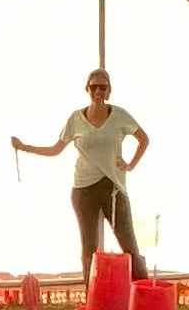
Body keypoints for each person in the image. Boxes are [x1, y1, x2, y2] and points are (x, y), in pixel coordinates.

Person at [11, 68, 151, 277]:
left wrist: (130, 164)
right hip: (84, 188)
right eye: (93, 86)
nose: (98, 91)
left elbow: (144, 139)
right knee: (89, 249)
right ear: (87, 89)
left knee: (129, 244)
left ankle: (143, 293)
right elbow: (56, 149)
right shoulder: (76, 118)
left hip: (113, 185)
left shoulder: (120, 116)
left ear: (108, 90)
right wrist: (25, 147)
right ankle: (93, 296)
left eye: (102, 87)